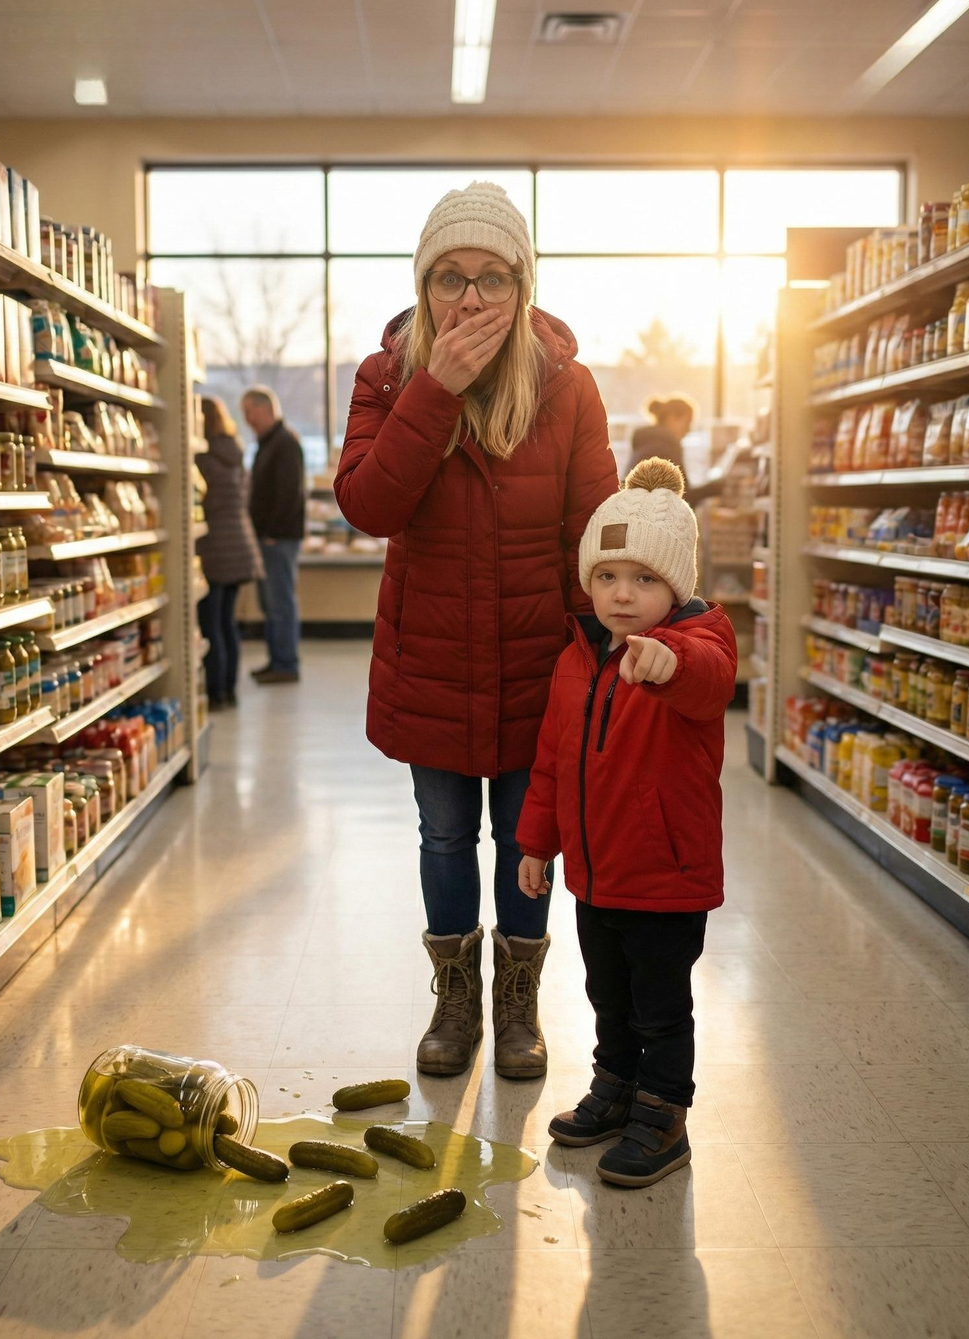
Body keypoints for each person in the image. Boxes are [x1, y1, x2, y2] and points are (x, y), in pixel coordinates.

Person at [335, 181, 618, 1082]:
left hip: (541, 661)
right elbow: (368, 505)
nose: (469, 297)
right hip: (433, 659)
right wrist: (436, 391)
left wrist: (615, 652)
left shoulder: (568, 388)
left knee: (530, 841)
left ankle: (518, 1003)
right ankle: (455, 1003)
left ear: (521, 286)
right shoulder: (386, 379)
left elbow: (593, 532)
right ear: (423, 287)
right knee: (446, 835)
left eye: (492, 277)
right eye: (450, 277)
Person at [515, 457, 736, 1187]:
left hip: (665, 875)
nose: (621, 594)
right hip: (595, 874)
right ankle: (614, 1087)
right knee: (607, 994)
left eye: (643, 579)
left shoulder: (695, 642)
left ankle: (663, 1113)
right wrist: (535, 841)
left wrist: (665, 663)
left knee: (660, 1007)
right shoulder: (575, 661)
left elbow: (707, 677)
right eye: (607, 576)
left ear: (675, 585)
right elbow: (551, 761)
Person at [196, 396, 264, 709]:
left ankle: (215, 692)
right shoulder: (236, 455)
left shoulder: (203, 460)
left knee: (211, 625)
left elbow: (202, 505)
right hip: (239, 545)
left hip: (213, 548)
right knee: (228, 624)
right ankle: (230, 691)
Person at [243, 386, 305, 684]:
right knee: (271, 604)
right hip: (269, 537)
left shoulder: (284, 443)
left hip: (278, 539)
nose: (246, 419)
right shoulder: (269, 443)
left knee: (280, 603)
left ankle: (285, 664)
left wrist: (272, 533)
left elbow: (290, 493)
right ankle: (277, 660)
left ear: (265, 409)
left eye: (249, 412)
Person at [628, 393, 724, 506]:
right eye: (688, 422)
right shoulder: (663, 449)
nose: (688, 430)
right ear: (671, 418)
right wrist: (715, 488)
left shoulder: (649, 442)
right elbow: (680, 499)